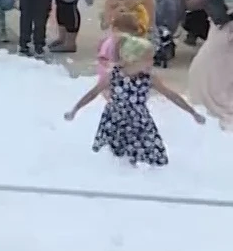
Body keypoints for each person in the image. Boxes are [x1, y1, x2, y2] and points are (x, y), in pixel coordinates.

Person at [66, 34, 204, 165]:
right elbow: (93, 93)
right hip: (115, 122)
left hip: (140, 123)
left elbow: (171, 95)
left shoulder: (149, 78)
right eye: (148, 59)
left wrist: (192, 112)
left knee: (154, 159)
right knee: (114, 158)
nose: (152, 62)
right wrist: (75, 109)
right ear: (133, 60)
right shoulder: (113, 76)